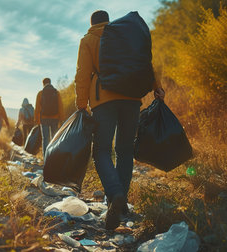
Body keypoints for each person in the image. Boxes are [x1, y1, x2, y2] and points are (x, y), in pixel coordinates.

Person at [74, 10, 165, 230]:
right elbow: (146, 61)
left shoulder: (88, 39)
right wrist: (156, 87)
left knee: (102, 150)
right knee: (125, 150)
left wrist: (81, 104)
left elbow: (83, 72)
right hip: (132, 98)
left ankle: (115, 195)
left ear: (91, 23)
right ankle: (121, 202)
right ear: (108, 20)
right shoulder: (124, 34)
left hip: (103, 99)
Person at [34, 78, 64, 157]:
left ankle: (46, 158)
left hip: (44, 119)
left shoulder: (40, 93)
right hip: (55, 118)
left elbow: (37, 108)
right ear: (50, 83)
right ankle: (54, 157)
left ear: (43, 84)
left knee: (45, 139)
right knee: (55, 138)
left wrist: (37, 121)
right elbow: (60, 106)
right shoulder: (56, 92)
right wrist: (62, 119)